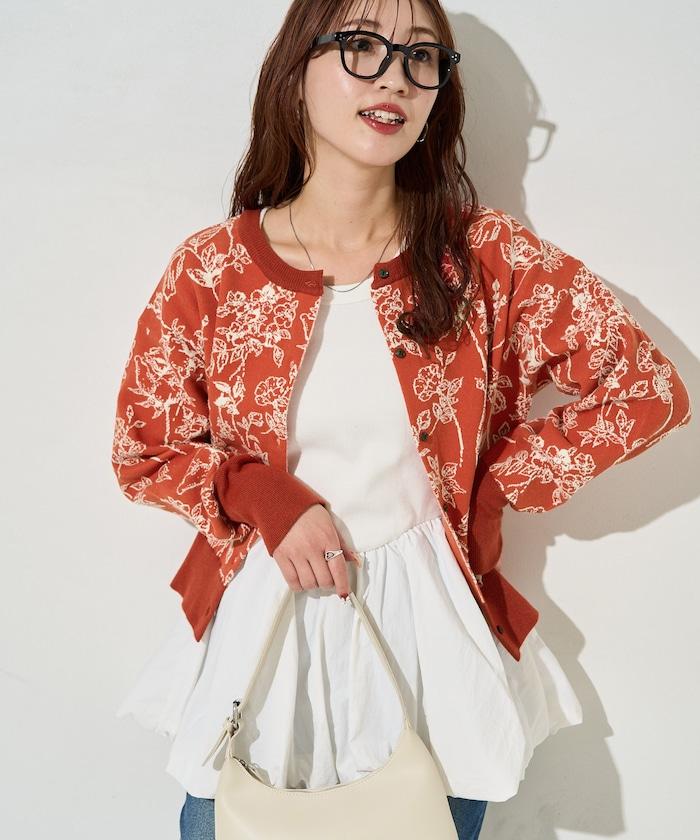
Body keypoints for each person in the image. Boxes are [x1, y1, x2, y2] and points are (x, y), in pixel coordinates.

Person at [110, 2, 692, 839]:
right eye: (361, 46)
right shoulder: (213, 268)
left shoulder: (486, 258)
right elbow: (144, 447)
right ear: (295, 70)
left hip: (433, 644)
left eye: (422, 58)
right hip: (261, 642)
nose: (395, 78)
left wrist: (490, 488)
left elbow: (645, 390)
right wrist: (262, 495)